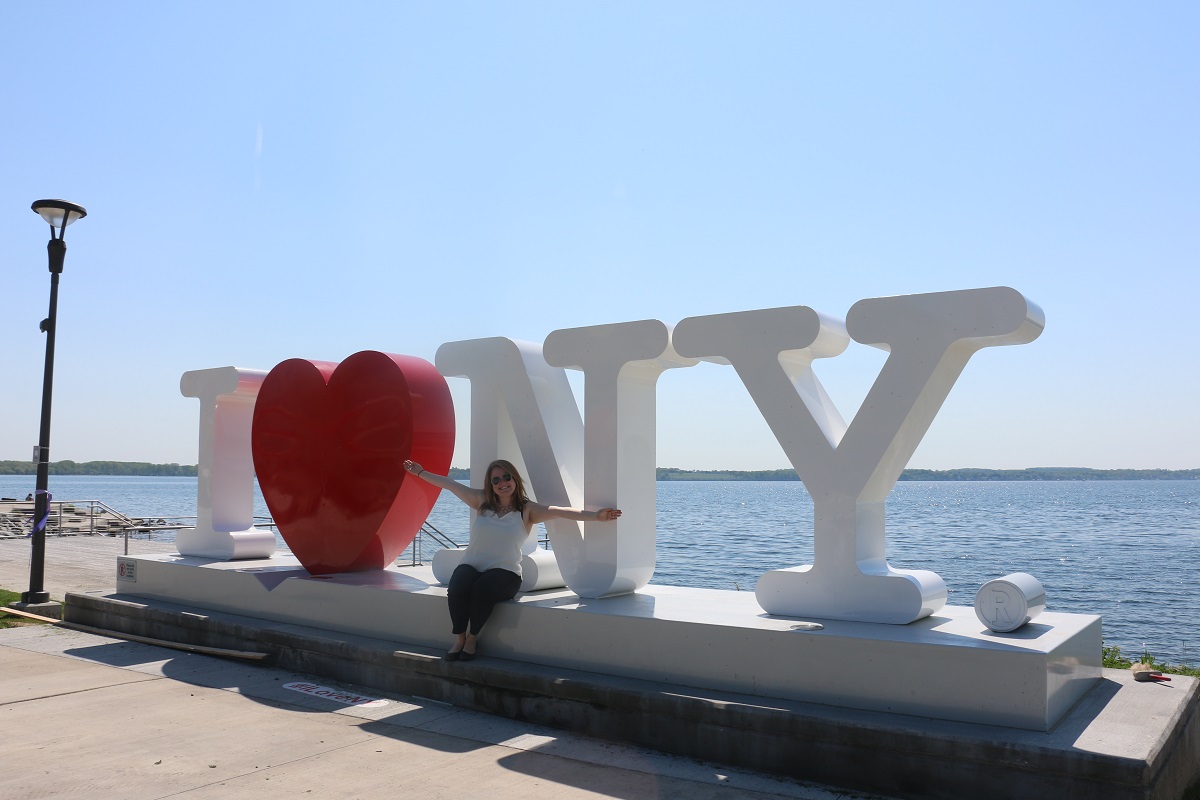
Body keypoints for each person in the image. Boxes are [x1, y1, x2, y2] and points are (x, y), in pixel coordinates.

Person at [403, 457, 621, 661]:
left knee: (481, 591)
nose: (502, 483)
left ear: (515, 479)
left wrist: (595, 516)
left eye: (506, 477)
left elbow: (561, 511)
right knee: (458, 587)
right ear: (491, 484)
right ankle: (459, 638)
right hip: (472, 565)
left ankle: (472, 638)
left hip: (505, 573)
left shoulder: (527, 510)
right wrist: (420, 472)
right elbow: (450, 484)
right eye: (496, 480)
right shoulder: (482, 501)